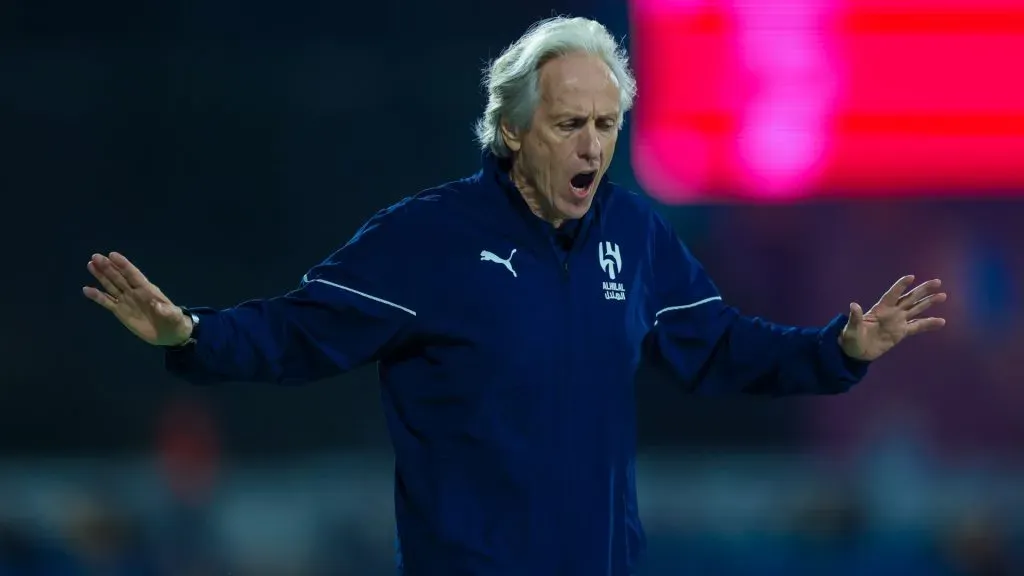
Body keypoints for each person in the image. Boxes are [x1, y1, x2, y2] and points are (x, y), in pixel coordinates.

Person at [82, 16, 947, 576]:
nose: (594, 146)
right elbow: (300, 330)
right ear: (511, 129)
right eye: (571, 123)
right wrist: (188, 335)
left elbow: (719, 346)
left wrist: (836, 351)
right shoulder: (428, 239)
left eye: (608, 125)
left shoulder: (635, 236)